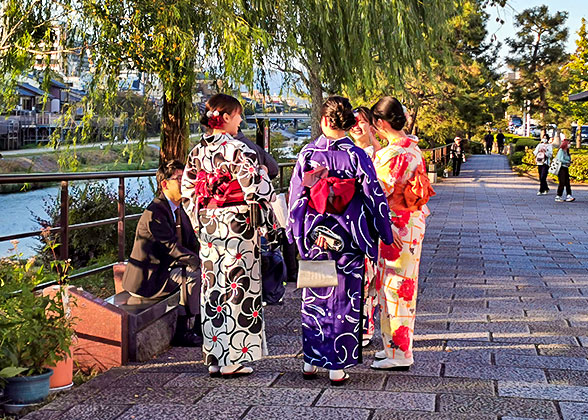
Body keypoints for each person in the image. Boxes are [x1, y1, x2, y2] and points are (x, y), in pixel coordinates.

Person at [287, 96, 394, 385]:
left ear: (324, 121)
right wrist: (383, 232)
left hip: (316, 235)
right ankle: (336, 365)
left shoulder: (308, 154)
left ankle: (311, 360)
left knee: (315, 296)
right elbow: (374, 197)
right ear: (347, 122)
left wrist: (296, 234)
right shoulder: (357, 155)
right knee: (345, 298)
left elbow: (297, 198)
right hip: (348, 234)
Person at [182, 93, 277, 378]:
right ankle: (234, 357)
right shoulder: (238, 149)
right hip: (237, 224)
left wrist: (199, 223)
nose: (240, 122)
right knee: (239, 285)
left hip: (210, 225)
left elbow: (189, 192)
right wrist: (263, 176)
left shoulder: (196, 152)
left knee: (214, 287)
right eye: (237, 116)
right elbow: (257, 191)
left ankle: (214, 356)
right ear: (224, 117)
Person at [370, 96, 435, 371]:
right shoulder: (413, 148)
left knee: (395, 288)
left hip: (396, 226)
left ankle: (399, 352)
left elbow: (377, 193)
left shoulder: (391, 155)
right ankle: (393, 348)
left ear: (381, 123)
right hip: (412, 222)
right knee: (400, 288)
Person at [122, 160, 202, 347]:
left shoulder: (179, 209)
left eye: (188, 178)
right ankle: (182, 331)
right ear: (165, 184)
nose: (186, 183)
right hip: (149, 278)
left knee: (205, 270)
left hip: (166, 270)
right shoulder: (155, 212)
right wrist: (197, 261)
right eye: (180, 179)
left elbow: (191, 243)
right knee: (191, 275)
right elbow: (171, 247)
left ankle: (201, 326)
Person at [348, 106, 381, 347]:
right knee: (353, 274)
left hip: (370, 220)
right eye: (353, 122)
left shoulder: (380, 154)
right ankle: (352, 323)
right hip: (349, 221)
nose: (357, 127)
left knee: (369, 275)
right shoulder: (348, 151)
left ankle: (366, 326)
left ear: (371, 124)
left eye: (361, 122)